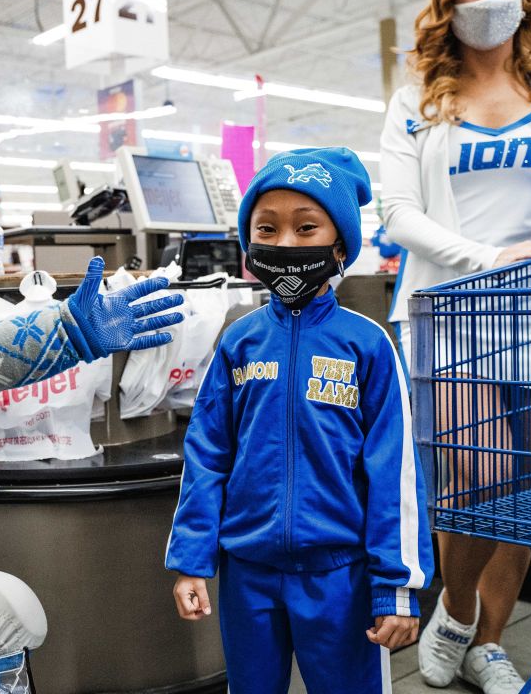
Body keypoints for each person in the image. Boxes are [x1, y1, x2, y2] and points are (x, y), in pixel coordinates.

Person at [166, 148, 433, 694]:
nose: (284, 243)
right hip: (248, 576)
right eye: (267, 228)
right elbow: (207, 455)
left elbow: (395, 474)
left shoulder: (368, 345)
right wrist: (193, 558)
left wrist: (397, 587)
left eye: (306, 228)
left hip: (342, 577)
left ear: (339, 246)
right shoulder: (238, 342)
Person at [379, 0, 531, 691]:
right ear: (447, 5)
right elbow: (397, 214)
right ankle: (455, 612)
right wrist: (489, 260)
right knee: (478, 474)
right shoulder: (417, 103)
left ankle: (489, 643)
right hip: (450, 315)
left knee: (521, 486)